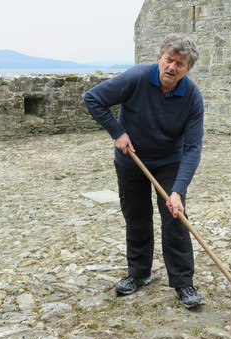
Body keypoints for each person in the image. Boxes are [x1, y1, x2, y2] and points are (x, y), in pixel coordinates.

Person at [83, 33, 204, 309]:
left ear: (187, 69)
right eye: (168, 59)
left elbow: (193, 147)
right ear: (160, 58)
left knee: (175, 219)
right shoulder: (137, 78)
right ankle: (139, 273)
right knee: (136, 216)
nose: (172, 67)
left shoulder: (192, 96)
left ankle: (183, 283)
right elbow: (93, 98)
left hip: (169, 162)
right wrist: (117, 132)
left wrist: (178, 191)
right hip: (131, 160)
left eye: (180, 64)